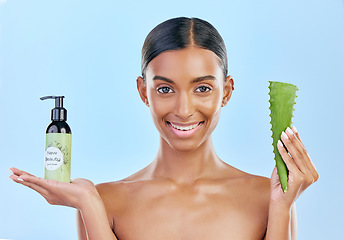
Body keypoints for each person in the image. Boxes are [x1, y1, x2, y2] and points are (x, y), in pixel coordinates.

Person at [9, 17, 318, 240]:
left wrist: (280, 208)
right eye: (165, 90)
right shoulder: (105, 202)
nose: (184, 110)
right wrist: (88, 202)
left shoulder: (269, 198)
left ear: (226, 92)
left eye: (202, 89)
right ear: (144, 92)